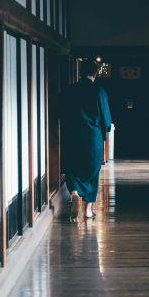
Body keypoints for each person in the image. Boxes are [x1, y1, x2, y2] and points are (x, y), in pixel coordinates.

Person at [60, 59, 112, 221]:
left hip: (72, 135)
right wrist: (106, 129)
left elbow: (60, 113)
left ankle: (74, 193)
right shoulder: (99, 91)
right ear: (95, 73)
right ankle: (88, 210)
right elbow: (106, 119)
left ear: (80, 72)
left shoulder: (69, 90)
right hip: (92, 137)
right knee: (92, 171)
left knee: (72, 166)